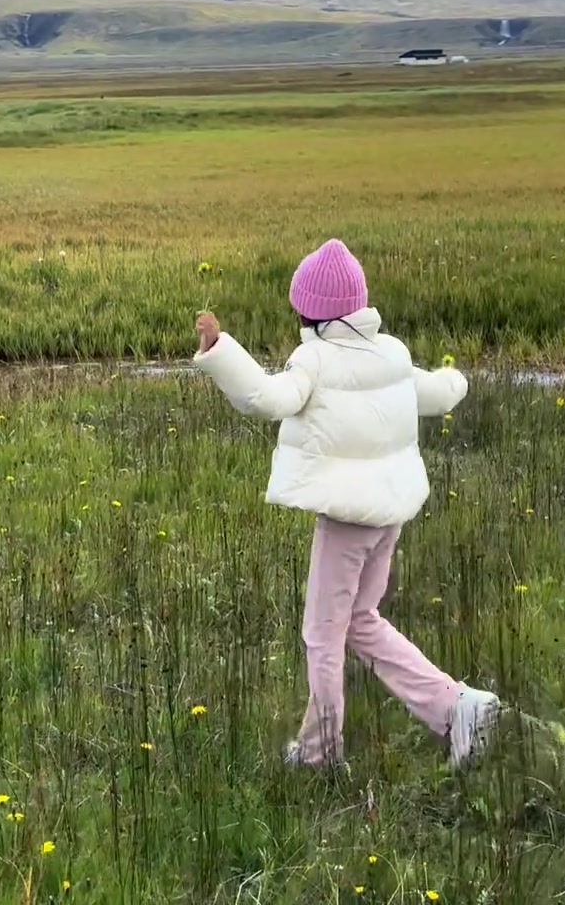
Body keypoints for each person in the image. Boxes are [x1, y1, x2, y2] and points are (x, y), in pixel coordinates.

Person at [194, 239, 500, 769]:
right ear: (359, 304)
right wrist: (457, 378)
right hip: (389, 517)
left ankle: (320, 754)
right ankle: (458, 707)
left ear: (309, 309)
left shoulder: (314, 358)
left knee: (322, 633)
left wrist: (220, 350)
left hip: (347, 519)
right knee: (360, 620)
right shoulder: (392, 352)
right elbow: (436, 394)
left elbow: (266, 399)